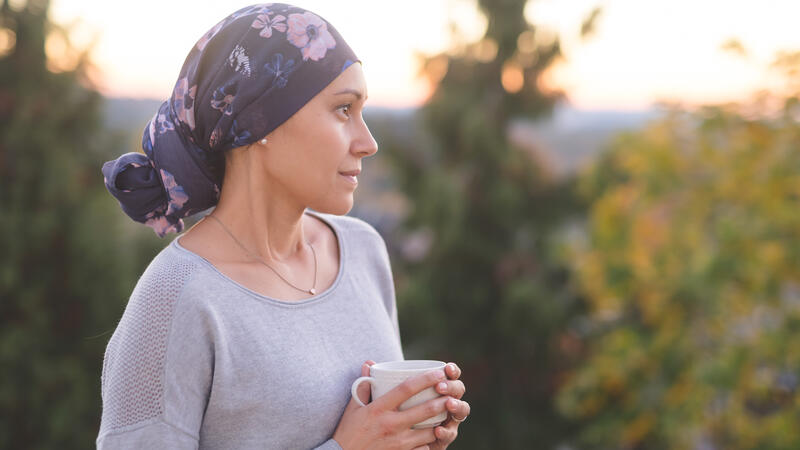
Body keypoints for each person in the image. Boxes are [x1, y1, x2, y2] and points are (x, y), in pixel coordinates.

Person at [96, 3, 470, 449]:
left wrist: (412, 430)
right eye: (343, 109)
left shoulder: (362, 250)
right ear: (258, 123)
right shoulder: (176, 298)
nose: (368, 143)